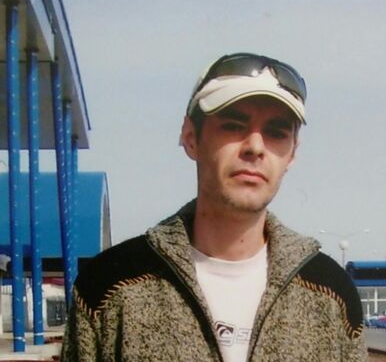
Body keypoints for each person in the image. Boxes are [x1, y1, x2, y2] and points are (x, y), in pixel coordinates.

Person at [61, 52, 368, 361]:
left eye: (276, 133)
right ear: (190, 137)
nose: (255, 147)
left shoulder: (332, 294)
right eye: (233, 125)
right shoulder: (109, 286)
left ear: (292, 153)